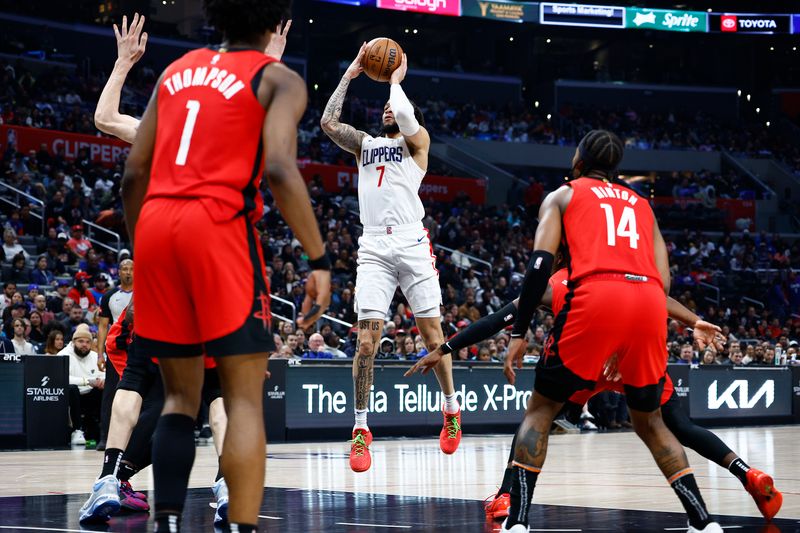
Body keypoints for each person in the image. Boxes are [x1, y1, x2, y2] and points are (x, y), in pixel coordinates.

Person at [120, 3, 328, 532]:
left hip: (156, 225)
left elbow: (132, 174)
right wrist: (318, 259)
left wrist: (143, 245)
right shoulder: (279, 79)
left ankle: (165, 522)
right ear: (276, 22)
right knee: (242, 401)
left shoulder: (175, 70)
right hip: (217, 227)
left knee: (178, 398)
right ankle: (240, 526)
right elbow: (280, 168)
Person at [411, 265, 782, 524]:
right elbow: (656, 297)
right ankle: (747, 474)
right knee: (679, 426)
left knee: (535, 419)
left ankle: (507, 496)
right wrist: (693, 320)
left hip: (584, 362)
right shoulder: (624, 271)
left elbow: (495, 321)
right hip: (633, 356)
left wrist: (444, 348)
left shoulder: (557, 281)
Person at [492, 130, 718, 532]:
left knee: (541, 412)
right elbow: (662, 282)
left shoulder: (563, 195)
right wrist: (634, 323)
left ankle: (518, 522)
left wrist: (519, 331)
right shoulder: (643, 206)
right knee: (652, 423)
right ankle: (704, 523)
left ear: (578, 158)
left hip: (597, 295)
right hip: (648, 302)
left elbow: (540, 267)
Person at [321, 46, 461, 473]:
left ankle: (451, 409)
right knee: (365, 341)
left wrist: (396, 81)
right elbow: (328, 123)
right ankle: (361, 430)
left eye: (393, 106)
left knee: (434, 337)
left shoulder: (418, 143)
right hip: (374, 247)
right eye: (383, 104)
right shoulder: (364, 145)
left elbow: (404, 117)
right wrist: (349, 74)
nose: (387, 109)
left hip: (412, 242)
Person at [96, 258, 134, 451]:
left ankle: (137, 436)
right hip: (116, 350)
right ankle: (105, 437)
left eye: (131, 269)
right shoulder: (110, 296)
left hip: (138, 349)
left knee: (139, 393)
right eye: (124, 269)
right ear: (118, 272)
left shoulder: (143, 293)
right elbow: (103, 327)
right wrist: (100, 354)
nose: (128, 272)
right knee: (110, 393)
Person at [61, 324, 105, 445]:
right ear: (73, 342)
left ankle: (102, 430)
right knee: (72, 389)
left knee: (105, 390)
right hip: (70, 396)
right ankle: (77, 430)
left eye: (87, 342)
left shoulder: (96, 356)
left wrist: (102, 381)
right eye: (80, 341)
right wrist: (87, 381)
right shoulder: (63, 355)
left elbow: (104, 374)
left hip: (90, 395)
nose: (84, 345)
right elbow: (62, 378)